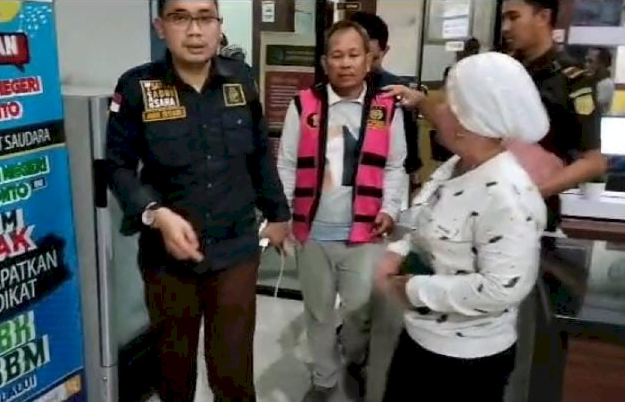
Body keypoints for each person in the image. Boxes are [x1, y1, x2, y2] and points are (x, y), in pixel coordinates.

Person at [106, 0, 290, 401]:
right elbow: (117, 167)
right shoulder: (136, 87)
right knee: (173, 371)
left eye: (205, 17)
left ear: (218, 25)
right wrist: (155, 214)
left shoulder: (241, 78)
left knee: (233, 371)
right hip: (167, 257)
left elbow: (260, 153)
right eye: (180, 17)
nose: (194, 30)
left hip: (235, 248)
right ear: (160, 27)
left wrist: (278, 213)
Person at [378, 52, 549, 402]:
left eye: (445, 101)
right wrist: (398, 252)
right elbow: (425, 218)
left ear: (465, 121)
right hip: (420, 339)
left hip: (467, 362)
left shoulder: (507, 196)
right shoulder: (456, 166)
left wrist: (413, 290)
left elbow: (502, 288)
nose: (434, 108)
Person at [277, 20, 407, 401]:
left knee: (359, 313)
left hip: (365, 232)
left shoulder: (386, 108)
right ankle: (323, 379)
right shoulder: (303, 104)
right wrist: (284, 216)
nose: (346, 63)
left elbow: (395, 166)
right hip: (313, 231)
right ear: (324, 62)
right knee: (318, 312)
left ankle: (354, 362)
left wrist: (391, 208)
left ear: (369, 59)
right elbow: (286, 163)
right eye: (337, 55)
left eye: (354, 55)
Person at [501, 0, 608, 230]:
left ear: (543, 17)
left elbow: (593, 162)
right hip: (484, 199)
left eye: (514, 17)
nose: (506, 28)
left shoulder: (572, 81)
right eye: (504, 19)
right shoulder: (500, 70)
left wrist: (533, 193)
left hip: (531, 212)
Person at [349, 11, 423, 185]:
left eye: (373, 58)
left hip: (381, 184)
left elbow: (410, 146)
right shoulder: (324, 93)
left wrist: (414, 177)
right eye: (356, 57)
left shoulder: (397, 91)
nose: (364, 67)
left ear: (385, 51)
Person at [585, 47, 615, 114]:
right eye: (586, 61)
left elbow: (593, 108)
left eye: (590, 62)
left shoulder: (606, 84)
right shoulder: (590, 81)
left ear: (602, 64)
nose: (586, 65)